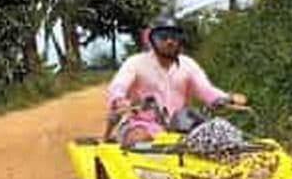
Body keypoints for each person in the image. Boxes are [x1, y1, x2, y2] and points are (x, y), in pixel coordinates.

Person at [106, 14, 247, 145]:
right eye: (162, 37)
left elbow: (205, 90)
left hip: (181, 124)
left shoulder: (188, 64)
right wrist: (119, 100)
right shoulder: (136, 62)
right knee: (139, 138)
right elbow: (119, 85)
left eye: (174, 37)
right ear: (151, 39)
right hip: (140, 124)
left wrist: (228, 98)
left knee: (218, 138)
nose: (169, 41)